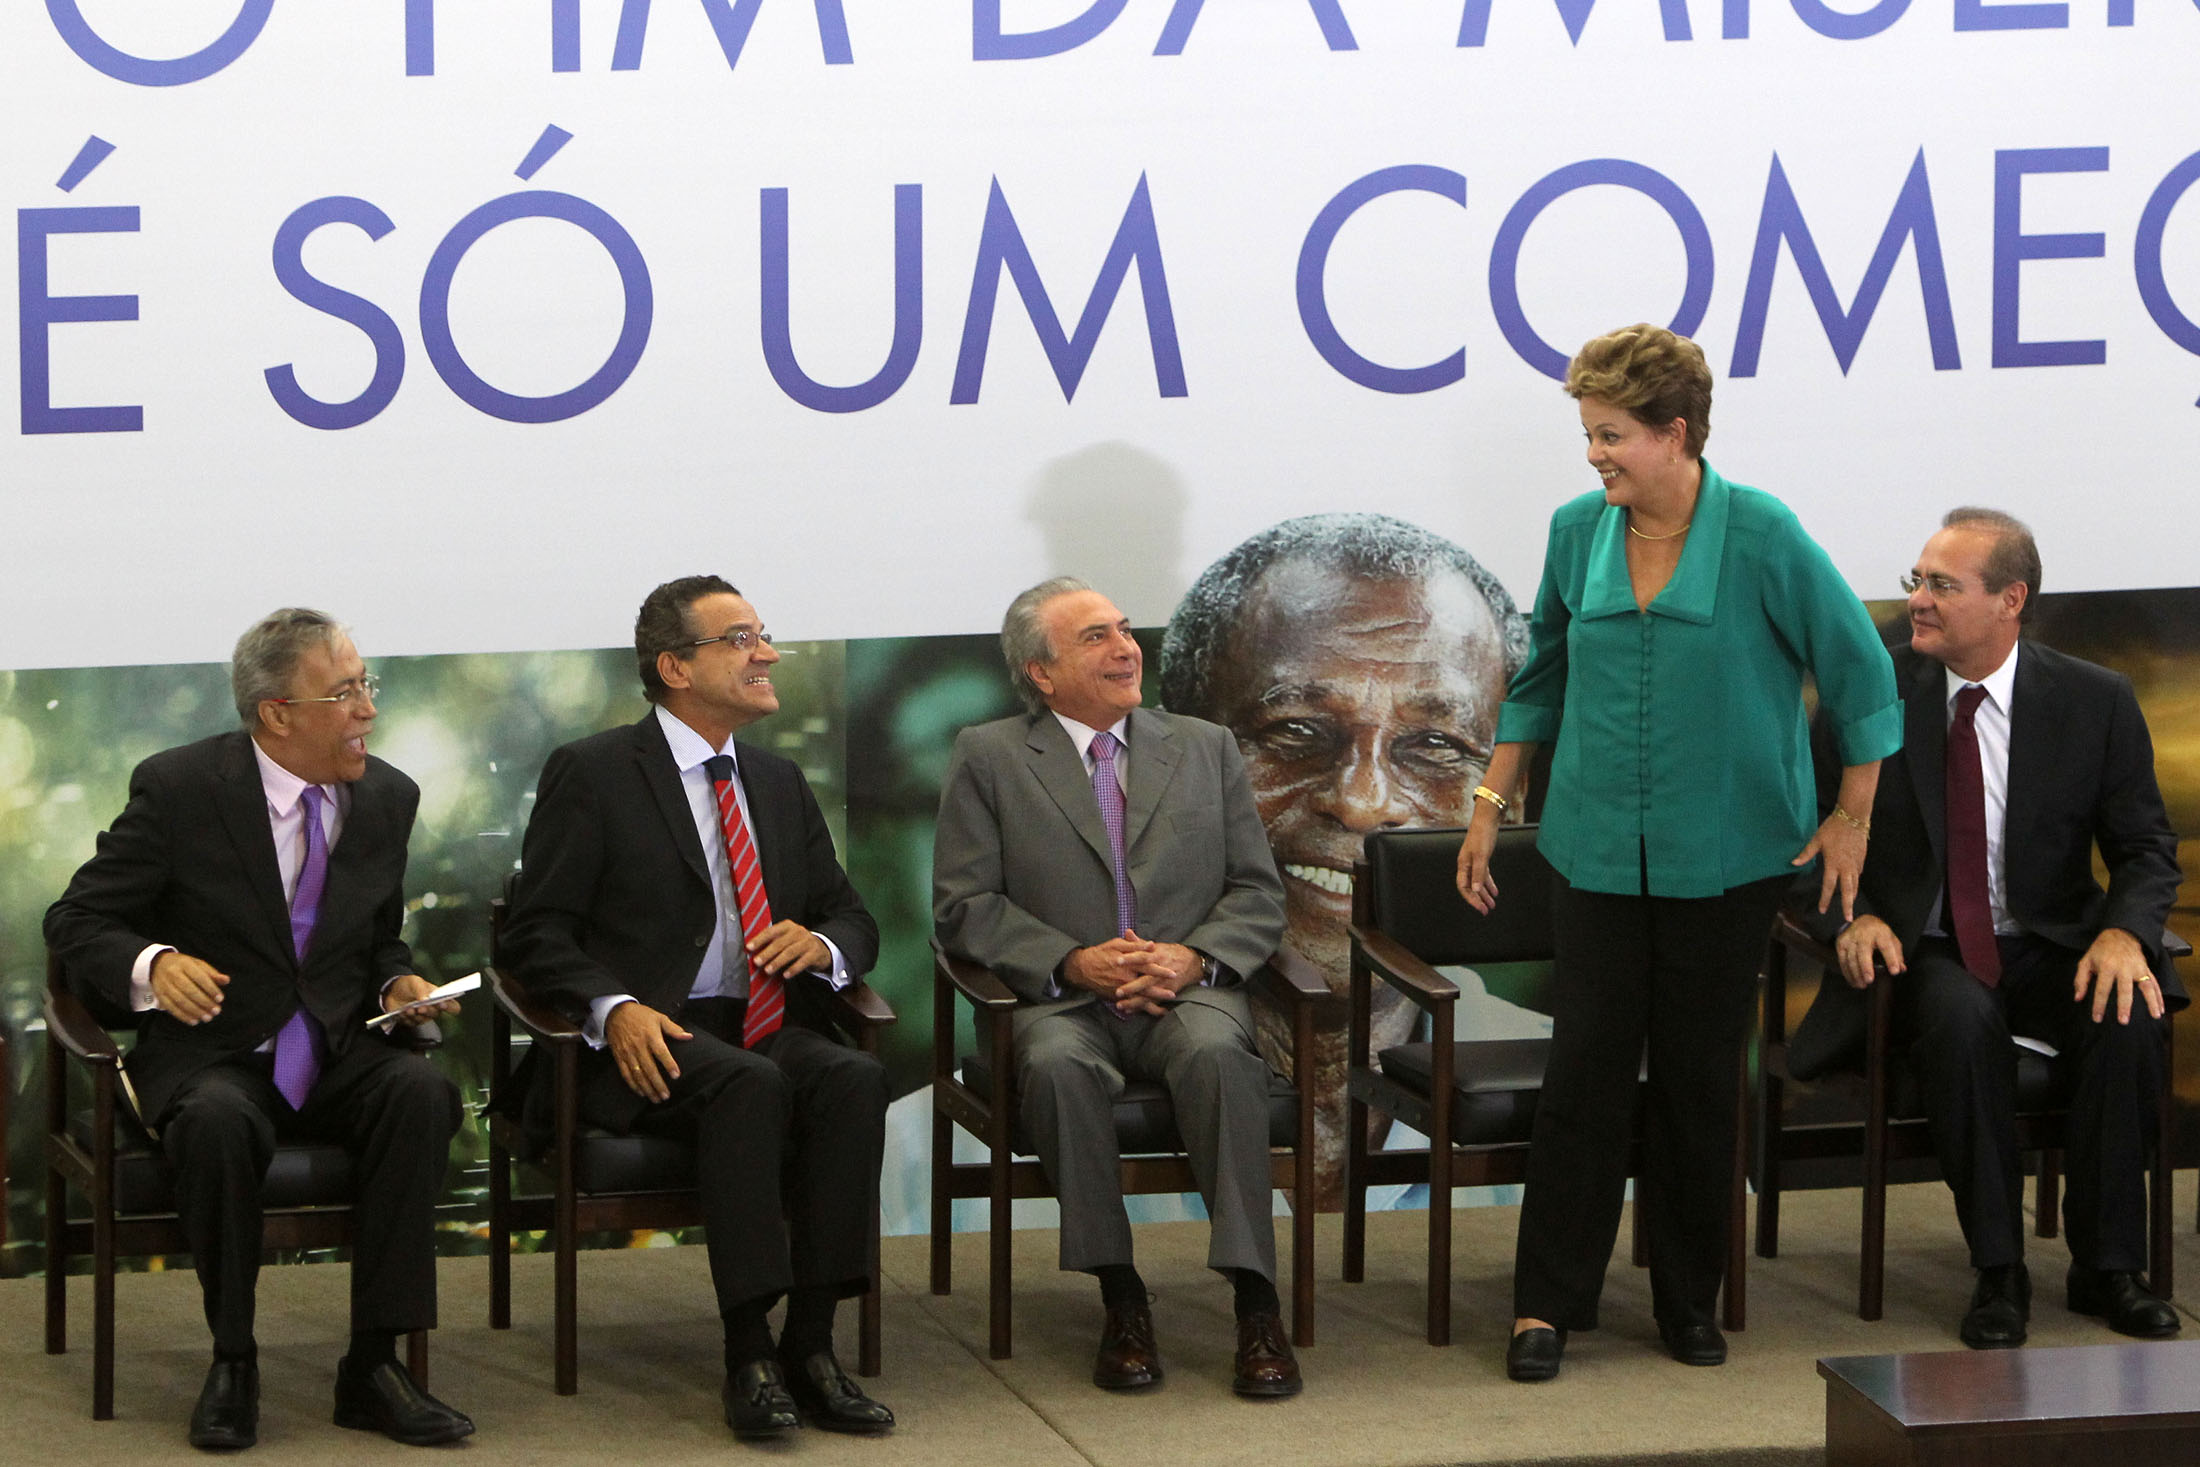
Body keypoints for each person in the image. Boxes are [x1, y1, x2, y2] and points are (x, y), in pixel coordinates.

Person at [1453, 324, 1901, 1382]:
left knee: (1700, 1080)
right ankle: (1545, 1304)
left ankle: (1688, 1299)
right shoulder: (1576, 530)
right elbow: (1540, 675)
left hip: (1730, 856)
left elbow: (1861, 671)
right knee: (1586, 1076)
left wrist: (1851, 814)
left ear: (1676, 432)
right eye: (1588, 434)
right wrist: (1489, 805)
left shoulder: (1762, 532)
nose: (1593, 455)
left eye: (1611, 435)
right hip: (1594, 851)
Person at [44, 609, 472, 1450]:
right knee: (215, 1120)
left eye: (366, 685)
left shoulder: (388, 796)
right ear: (278, 712)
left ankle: (374, 1364)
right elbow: (77, 919)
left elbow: (376, 935)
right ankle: (233, 1360)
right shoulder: (180, 789)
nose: (368, 709)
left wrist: (397, 979)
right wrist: (155, 962)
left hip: (338, 1048)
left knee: (421, 1094)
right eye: (344, 692)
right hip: (215, 1050)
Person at [499, 575, 893, 1440]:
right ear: (675, 667)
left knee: (854, 1078)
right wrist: (613, 1006)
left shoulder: (777, 781)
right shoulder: (594, 772)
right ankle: (748, 1352)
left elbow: (852, 917)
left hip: (762, 1022)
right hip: (643, 1039)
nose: (768, 654)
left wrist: (821, 945)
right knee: (748, 1084)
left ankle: (811, 1344)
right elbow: (534, 933)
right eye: (741, 639)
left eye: (763, 634)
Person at [1788, 509, 2183, 1348]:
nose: (1918, 600)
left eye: (1943, 585)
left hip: (2050, 941)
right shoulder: (1873, 692)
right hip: (1922, 947)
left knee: (2129, 1011)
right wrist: (1849, 917)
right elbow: (1802, 835)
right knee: (1960, 1015)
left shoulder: (2094, 700)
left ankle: (2109, 1266)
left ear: (2011, 599)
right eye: (1917, 580)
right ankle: (1999, 1269)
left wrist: (2125, 933)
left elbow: (2147, 849)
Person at [932, 576, 1301, 1398]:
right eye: (1095, 636)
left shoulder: (1204, 746)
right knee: (1056, 1065)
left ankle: (1256, 1301)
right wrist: (1070, 960)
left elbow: (1256, 890)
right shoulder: (990, 755)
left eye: (1126, 630)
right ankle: (1120, 1294)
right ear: (1041, 671)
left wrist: (1193, 957)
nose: (1126, 648)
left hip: (1187, 991)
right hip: (1060, 1000)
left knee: (1219, 1055)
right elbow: (964, 906)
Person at [1160, 513, 1528, 1207]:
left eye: (1436, 745)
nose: (1362, 801)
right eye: (1295, 731)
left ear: (1514, 800)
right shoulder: (965, 1152)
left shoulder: (1594, 1110)